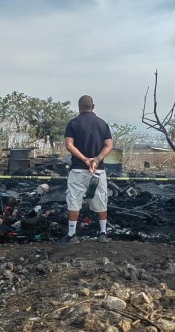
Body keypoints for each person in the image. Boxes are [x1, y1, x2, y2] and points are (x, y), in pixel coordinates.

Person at [61, 95, 114, 244]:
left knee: (74, 199)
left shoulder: (73, 123)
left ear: (79, 107)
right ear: (93, 106)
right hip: (98, 171)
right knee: (101, 199)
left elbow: (69, 145)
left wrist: (84, 159)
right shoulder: (102, 124)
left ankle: (72, 235)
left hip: (78, 170)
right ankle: (103, 233)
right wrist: (96, 160)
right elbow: (109, 145)